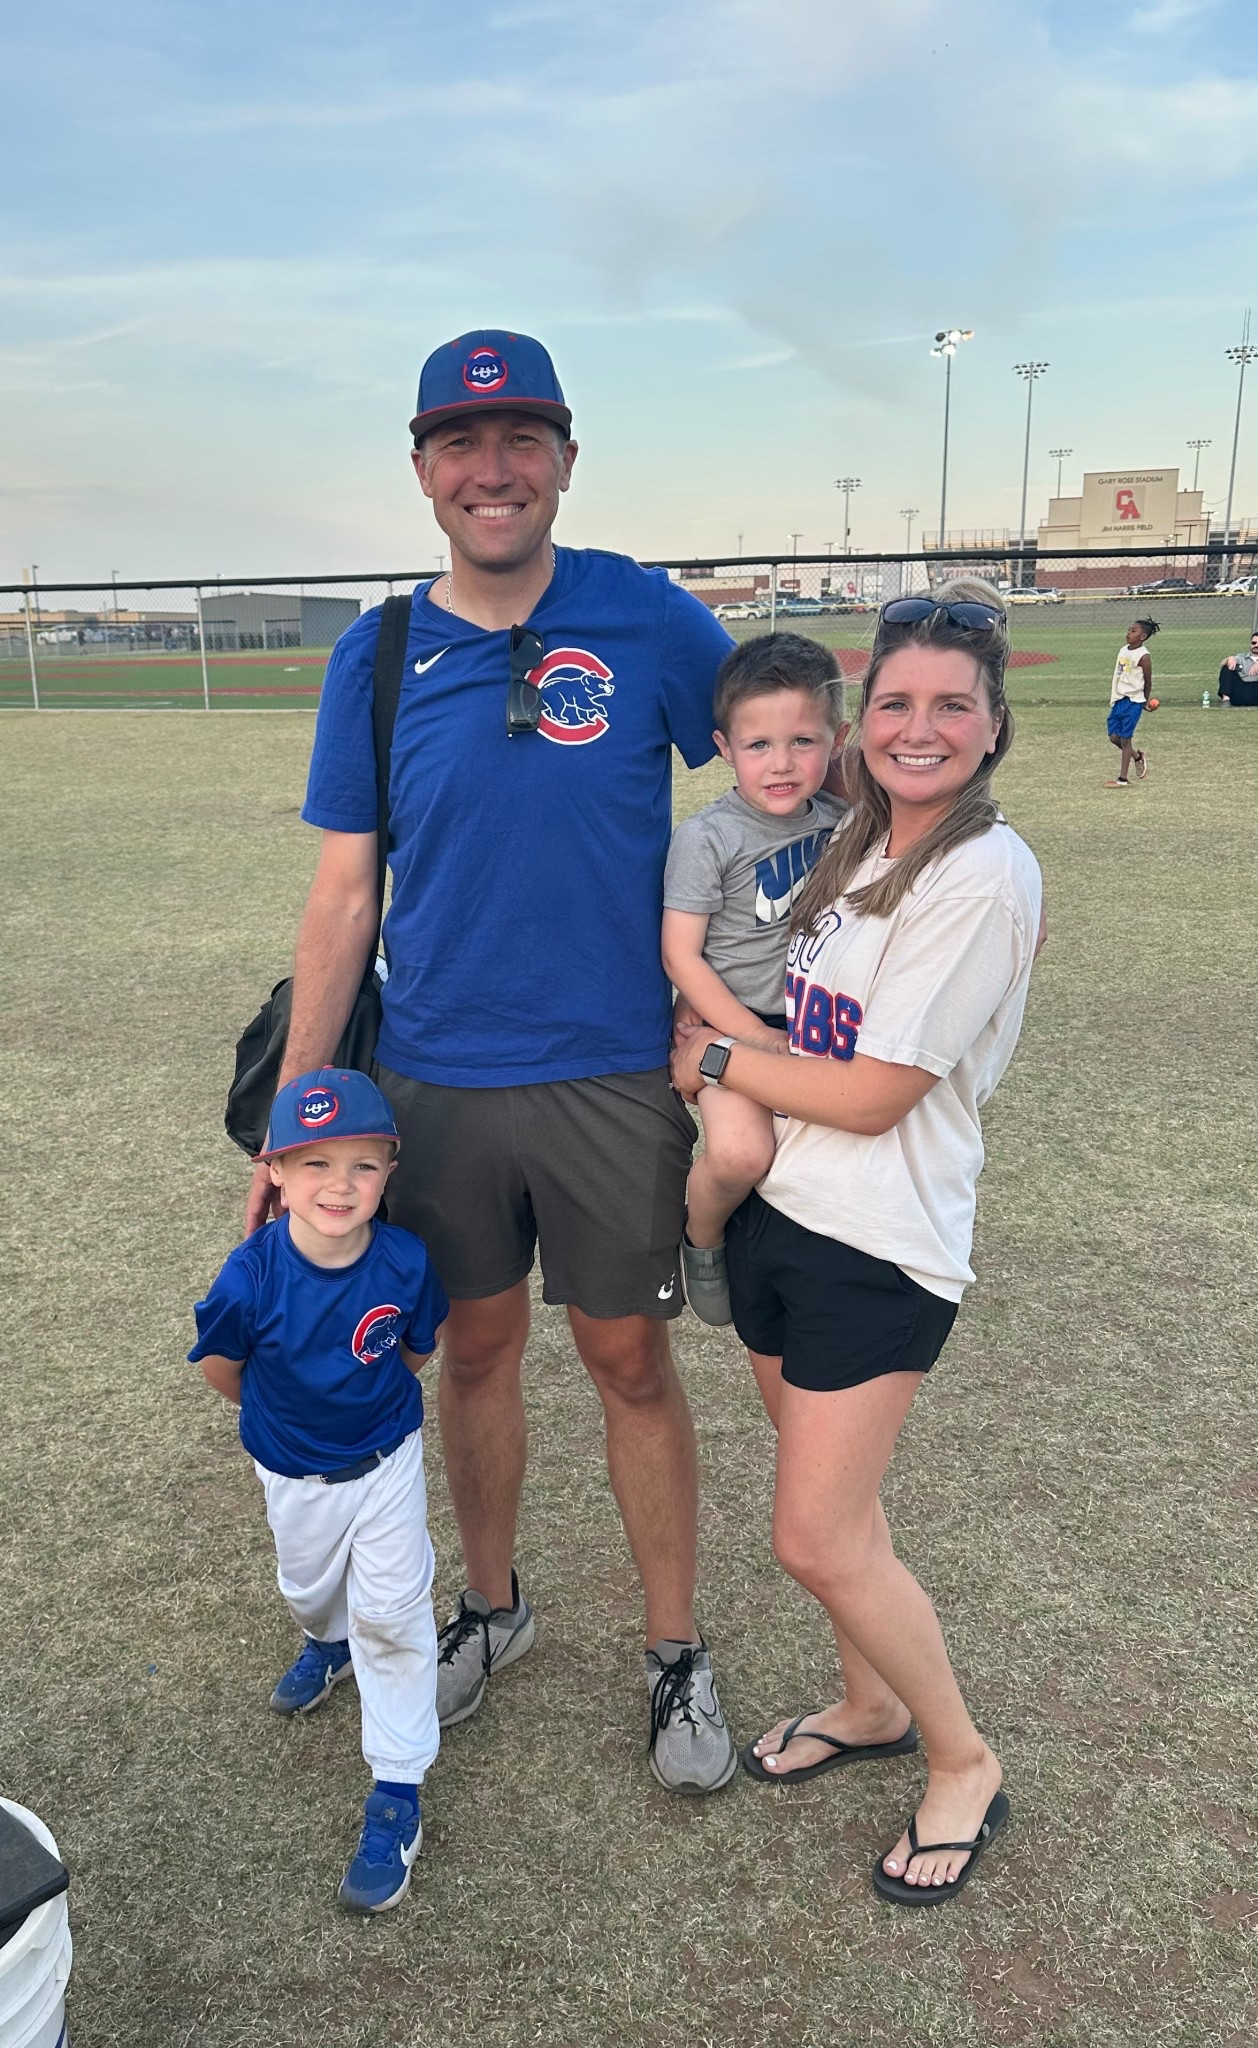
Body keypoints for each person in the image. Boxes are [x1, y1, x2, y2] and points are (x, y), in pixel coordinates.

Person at [242, 329, 739, 1795]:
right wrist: (293, 1128)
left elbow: (777, 776)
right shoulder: (379, 651)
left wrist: (746, 996)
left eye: (522, 438)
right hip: (440, 1086)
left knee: (626, 1356)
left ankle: (672, 1651)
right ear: (421, 471)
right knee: (474, 1348)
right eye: (461, 445)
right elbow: (344, 897)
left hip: (610, 1080)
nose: (493, 468)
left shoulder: (645, 620)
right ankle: (496, 1608)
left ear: (567, 459)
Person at [672, 581, 1042, 1907]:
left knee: (816, 1539)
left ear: (993, 725)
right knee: (843, 1513)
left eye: (951, 705)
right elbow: (807, 1036)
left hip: (876, 1243)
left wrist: (709, 1053)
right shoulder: (859, 841)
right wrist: (737, 1062)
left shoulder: (979, 873)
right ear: (855, 724)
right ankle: (868, 1703)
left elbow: (880, 1091)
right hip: (786, 1211)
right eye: (894, 701)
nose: (918, 725)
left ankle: (961, 1758)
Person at [192, 1069, 448, 1913]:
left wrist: (367, 1422)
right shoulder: (250, 1275)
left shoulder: (405, 1260)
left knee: (394, 1613)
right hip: (292, 1470)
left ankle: (397, 1791)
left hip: (384, 1462)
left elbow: (413, 1350)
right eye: (314, 1164)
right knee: (310, 1591)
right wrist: (288, 1432)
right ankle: (325, 1642)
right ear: (273, 1172)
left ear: (390, 1168)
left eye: (362, 1166)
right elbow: (226, 1372)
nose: (339, 1185)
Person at [662, 633, 848, 1325]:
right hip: (735, 1024)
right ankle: (701, 1237)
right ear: (723, 745)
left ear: (838, 739)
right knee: (742, 1155)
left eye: (803, 741)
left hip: (825, 1027)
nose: (781, 764)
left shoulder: (848, 822)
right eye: (758, 745)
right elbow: (682, 957)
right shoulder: (707, 837)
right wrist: (748, 1040)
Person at [1105, 617, 1158, 786]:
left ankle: (1123, 779)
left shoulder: (1144, 657)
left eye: (1133, 631)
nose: (1129, 633)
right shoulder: (1123, 650)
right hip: (1119, 698)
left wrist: (1144, 701)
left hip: (1134, 700)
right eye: (1129, 629)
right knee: (1114, 737)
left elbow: (1148, 681)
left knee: (1126, 739)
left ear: (1143, 636)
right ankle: (1137, 756)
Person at [1218, 631, 1258, 705]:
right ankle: (1226, 700)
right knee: (1227, 667)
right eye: (1254, 643)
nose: (1256, 645)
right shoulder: (1241, 657)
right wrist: (1230, 658)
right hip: (1241, 692)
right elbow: (1222, 665)